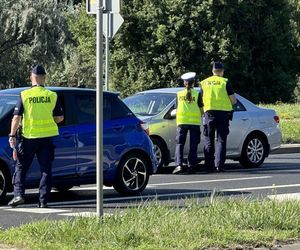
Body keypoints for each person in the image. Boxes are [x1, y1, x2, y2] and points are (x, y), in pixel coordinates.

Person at [7, 65, 64, 208]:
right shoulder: (52, 95)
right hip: (46, 138)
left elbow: (16, 117)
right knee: (46, 169)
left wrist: (12, 135)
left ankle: (19, 195)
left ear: (31, 77)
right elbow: (60, 118)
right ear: (44, 78)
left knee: (21, 167)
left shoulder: (25, 95)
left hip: (29, 138)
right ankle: (43, 201)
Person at [200, 62, 237, 172]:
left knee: (208, 140)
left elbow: (201, 100)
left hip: (209, 114)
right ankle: (219, 165)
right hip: (223, 115)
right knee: (221, 140)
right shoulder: (225, 82)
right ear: (222, 71)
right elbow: (233, 100)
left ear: (212, 71)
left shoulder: (204, 83)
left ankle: (208, 165)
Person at [173, 72, 203, 174]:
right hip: (194, 123)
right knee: (193, 145)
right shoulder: (197, 94)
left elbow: (176, 109)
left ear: (184, 83)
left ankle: (179, 165)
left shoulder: (179, 94)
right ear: (193, 82)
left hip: (182, 123)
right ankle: (191, 166)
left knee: (180, 144)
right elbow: (201, 109)